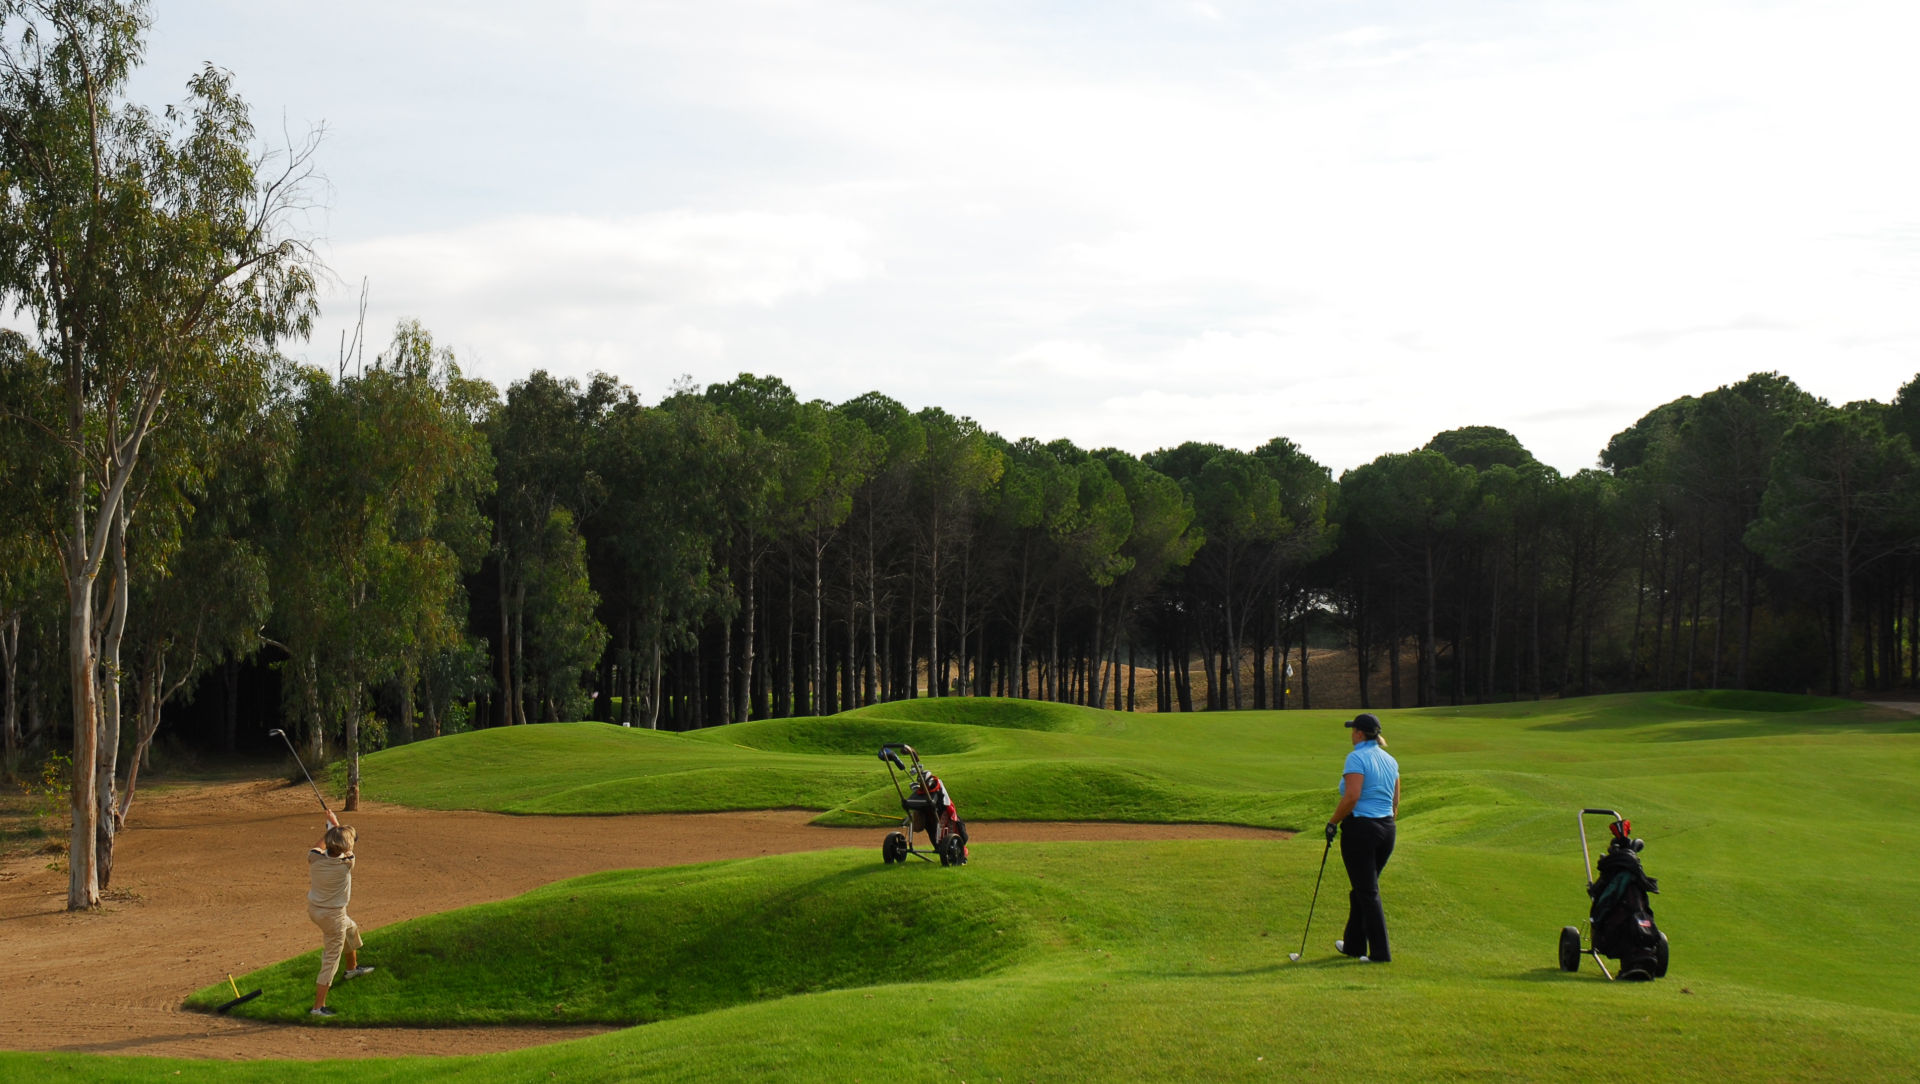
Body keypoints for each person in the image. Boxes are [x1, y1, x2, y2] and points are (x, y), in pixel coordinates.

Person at [1325, 712, 1400, 962]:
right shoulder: (1390, 760)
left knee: (1367, 891)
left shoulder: (1356, 758)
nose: (1351, 734)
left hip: (1362, 830)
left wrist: (1333, 821)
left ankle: (1380, 953)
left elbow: (1352, 796)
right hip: (1387, 829)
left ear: (1359, 733)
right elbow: (1395, 802)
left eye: (1353, 730)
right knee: (1362, 889)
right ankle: (1353, 945)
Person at [308, 811, 373, 1017]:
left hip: (315, 910)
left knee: (351, 929)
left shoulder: (314, 858)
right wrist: (335, 824)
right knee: (330, 960)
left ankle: (352, 969)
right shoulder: (347, 862)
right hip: (333, 917)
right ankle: (318, 1007)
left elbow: (322, 844)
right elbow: (345, 845)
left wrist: (332, 826)